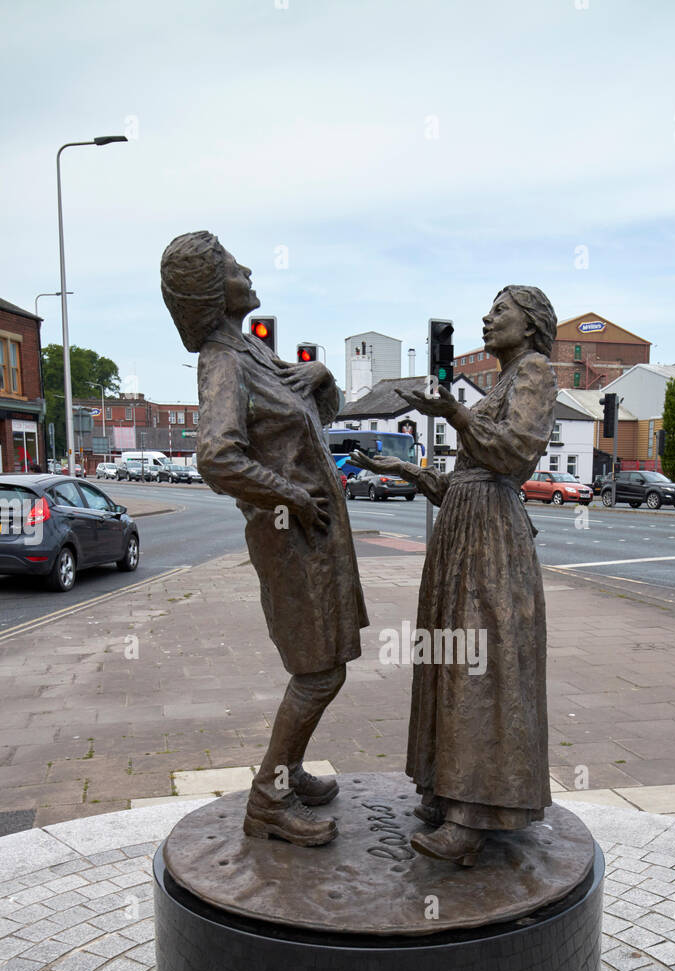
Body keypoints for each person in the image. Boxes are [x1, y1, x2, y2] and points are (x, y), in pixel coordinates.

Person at [161, 231, 368, 846]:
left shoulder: (253, 352)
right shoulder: (223, 361)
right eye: (231, 265)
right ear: (211, 290)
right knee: (318, 672)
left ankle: (288, 771)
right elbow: (216, 458)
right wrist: (291, 496)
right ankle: (268, 801)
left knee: (325, 662)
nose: (246, 269)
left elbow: (313, 422)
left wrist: (322, 377)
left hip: (316, 534)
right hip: (290, 536)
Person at [351, 285, 557, 867]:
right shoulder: (503, 380)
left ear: (531, 324)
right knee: (450, 656)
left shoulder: (535, 372)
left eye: (500, 311)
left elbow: (514, 455)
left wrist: (455, 413)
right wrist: (404, 469)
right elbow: (461, 482)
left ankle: (475, 814)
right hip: (464, 527)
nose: (487, 320)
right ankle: (447, 789)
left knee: (478, 665)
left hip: (491, 537)